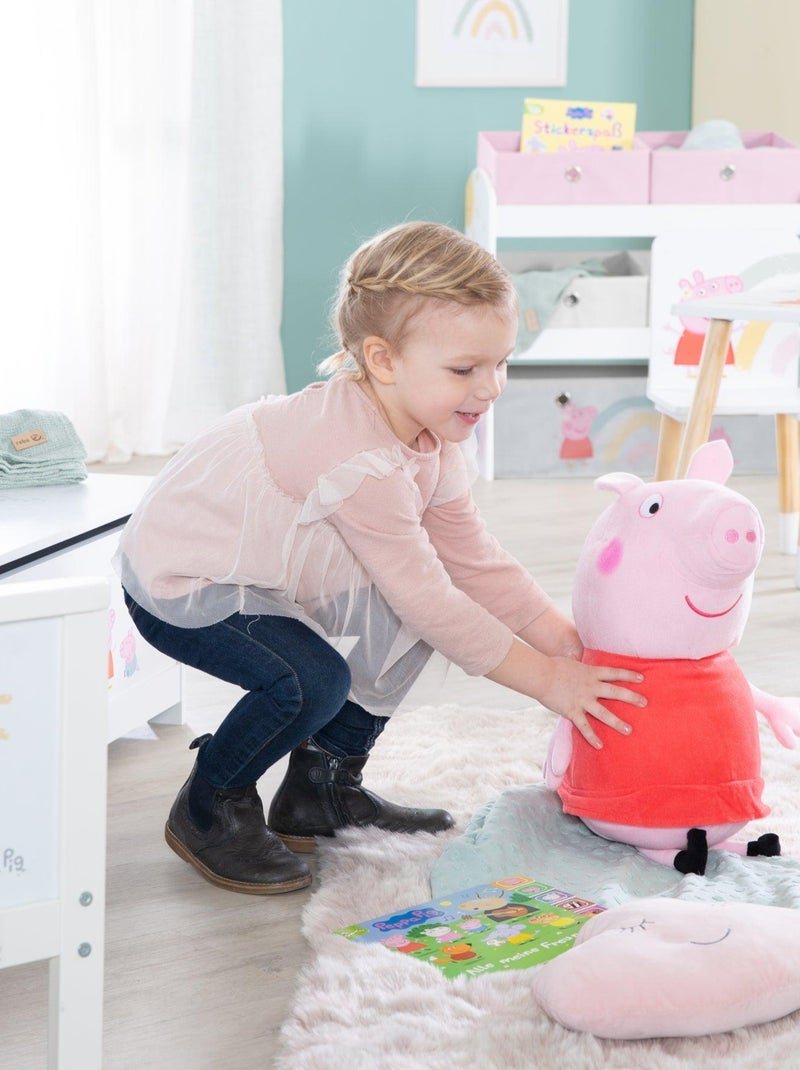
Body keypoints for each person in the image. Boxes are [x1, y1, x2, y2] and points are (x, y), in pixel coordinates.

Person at [114, 221, 646, 897]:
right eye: (464, 370)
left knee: (406, 619)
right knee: (309, 681)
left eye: (501, 362)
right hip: (190, 581)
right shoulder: (353, 455)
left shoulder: (435, 433)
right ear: (384, 360)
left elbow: (473, 561)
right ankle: (211, 801)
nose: (491, 389)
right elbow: (430, 593)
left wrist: (563, 642)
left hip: (274, 573)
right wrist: (546, 681)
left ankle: (322, 788)